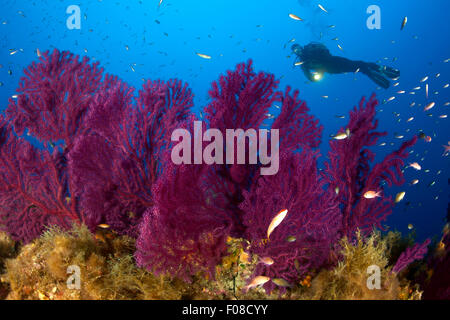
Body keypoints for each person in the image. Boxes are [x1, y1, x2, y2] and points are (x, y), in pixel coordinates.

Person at [292, 42, 400, 89]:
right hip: (332, 69)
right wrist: (318, 75)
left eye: (297, 47)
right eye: (295, 50)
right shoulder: (302, 64)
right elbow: (309, 77)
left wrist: (323, 55)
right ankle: (374, 73)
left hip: (335, 60)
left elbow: (325, 49)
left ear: (301, 47)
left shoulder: (311, 47)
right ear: (295, 53)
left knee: (360, 64)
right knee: (358, 67)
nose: (298, 50)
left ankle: (379, 69)